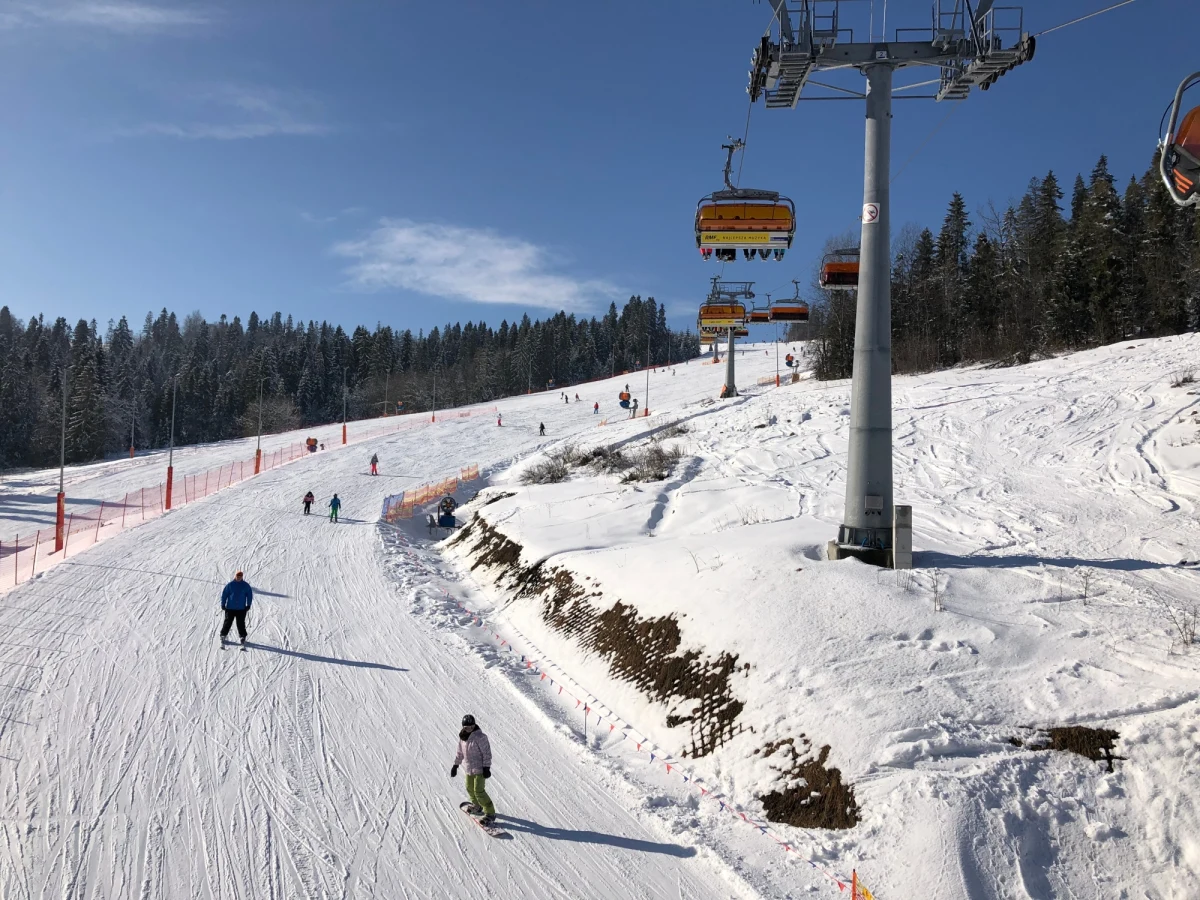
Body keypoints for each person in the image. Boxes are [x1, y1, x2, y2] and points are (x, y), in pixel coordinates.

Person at [451, 714, 496, 826]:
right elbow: (460, 753)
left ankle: (490, 813)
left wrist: (486, 767)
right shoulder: (462, 738)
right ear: (463, 727)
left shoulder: (480, 737)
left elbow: (486, 753)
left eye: (471, 726)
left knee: (479, 791)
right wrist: (455, 765)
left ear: (474, 725)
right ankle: (477, 805)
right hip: (469, 769)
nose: (469, 729)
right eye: (467, 727)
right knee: (469, 788)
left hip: (480, 769)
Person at [219, 570, 253, 646]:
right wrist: (223, 604)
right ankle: (223, 635)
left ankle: (242, 636)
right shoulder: (230, 585)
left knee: (240, 623)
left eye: (240, 576)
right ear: (235, 576)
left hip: (241, 609)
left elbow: (249, 595)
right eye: (238, 576)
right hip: (230, 608)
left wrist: (248, 605)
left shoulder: (246, 585)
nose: (239, 577)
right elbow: (224, 594)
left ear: (242, 577)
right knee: (228, 622)